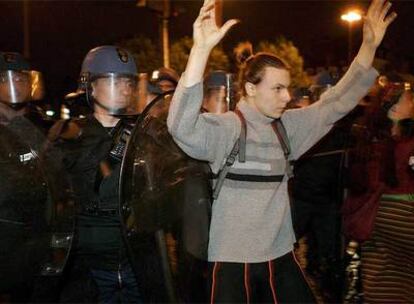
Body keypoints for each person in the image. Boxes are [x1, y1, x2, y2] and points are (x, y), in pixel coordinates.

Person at [167, 0, 395, 302]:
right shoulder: (227, 129)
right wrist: (200, 51)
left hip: (281, 257)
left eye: (288, 88)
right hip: (233, 262)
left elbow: (335, 103)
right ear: (250, 88)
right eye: (277, 88)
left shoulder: (287, 127)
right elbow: (182, 127)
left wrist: (367, 47)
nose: (287, 97)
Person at [48, 46, 142, 303]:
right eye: (115, 80)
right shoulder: (68, 134)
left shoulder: (145, 133)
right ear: (90, 86)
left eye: (129, 81)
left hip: (137, 259)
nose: (124, 88)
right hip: (88, 265)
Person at [356, 84, 414, 302]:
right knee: (405, 282)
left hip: (374, 217)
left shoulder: (369, 141)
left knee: (379, 277)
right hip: (404, 215)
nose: (413, 103)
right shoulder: (408, 144)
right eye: (409, 100)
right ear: (395, 110)